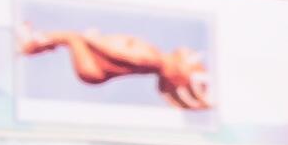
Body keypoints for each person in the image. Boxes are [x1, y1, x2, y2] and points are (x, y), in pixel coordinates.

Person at [17, 26, 212, 111]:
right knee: (70, 39)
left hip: (94, 68)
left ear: (177, 74)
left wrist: (92, 40)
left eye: (191, 62)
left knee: (70, 37)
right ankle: (34, 42)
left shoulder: (153, 60)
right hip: (97, 64)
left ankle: (30, 44)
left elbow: (124, 57)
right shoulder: (155, 57)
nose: (189, 53)